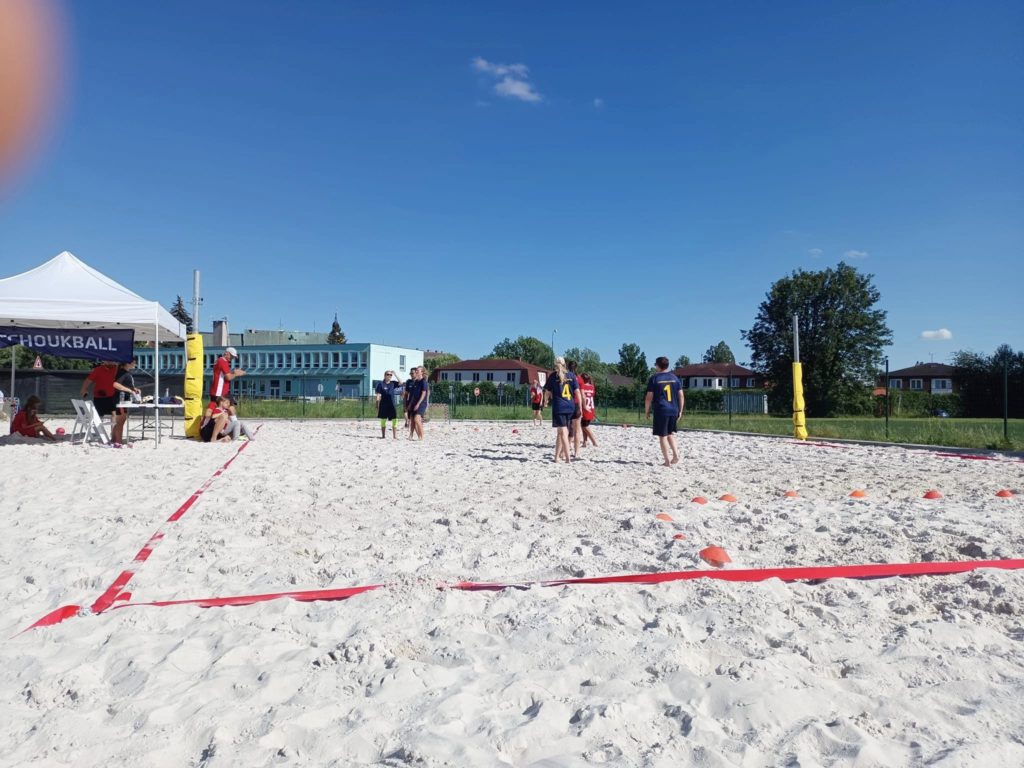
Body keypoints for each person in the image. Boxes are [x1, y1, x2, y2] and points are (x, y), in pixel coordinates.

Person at [645, 356, 684, 466]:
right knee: (670, 433)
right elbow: (681, 396)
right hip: (673, 409)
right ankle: (676, 455)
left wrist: (647, 410)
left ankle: (667, 461)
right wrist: (680, 410)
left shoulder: (654, 378)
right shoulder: (675, 378)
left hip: (661, 409)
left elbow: (649, 397)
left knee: (662, 436)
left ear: (657, 365)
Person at [544, 356, 580, 463]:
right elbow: (577, 392)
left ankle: (568, 458)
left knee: (563, 431)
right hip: (570, 406)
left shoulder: (553, 376)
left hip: (559, 407)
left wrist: (545, 401)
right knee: (560, 432)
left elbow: (547, 391)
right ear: (564, 364)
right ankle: (556, 457)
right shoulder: (571, 375)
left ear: (555, 364)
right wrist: (580, 406)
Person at [111, 357, 141, 446]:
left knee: (120, 420)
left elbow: (126, 385)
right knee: (121, 420)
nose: (135, 364)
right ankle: (118, 441)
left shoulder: (125, 373)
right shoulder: (122, 372)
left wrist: (134, 389)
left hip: (123, 400)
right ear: (127, 363)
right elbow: (115, 384)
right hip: (121, 400)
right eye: (134, 362)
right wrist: (129, 390)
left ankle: (114, 439)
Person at [375, 370, 403, 438]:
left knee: (395, 419)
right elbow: (378, 394)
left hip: (392, 404)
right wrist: (377, 404)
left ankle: (394, 436)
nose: (389, 376)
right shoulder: (380, 384)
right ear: (385, 375)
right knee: (383, 419)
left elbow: (401, 382)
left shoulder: (393, 383)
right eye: (388, 374)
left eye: (390, 375)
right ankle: (383, 436)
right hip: (383, 404)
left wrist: (395, 374)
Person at [407, 366, 429, 440]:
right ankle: (416, 436)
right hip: (414, 402)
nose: (416, 371)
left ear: (422, 372)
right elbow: (413, 394)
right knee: (412, 420)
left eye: (418, 370)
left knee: (417, 419)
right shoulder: (416, 381)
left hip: (422, 403)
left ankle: (422, 436)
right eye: (416, 370)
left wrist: (418, 404)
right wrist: (410, 404)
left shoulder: (424, 381)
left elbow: (423, 394)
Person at [567, 361, 583, 457]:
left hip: (566, 403)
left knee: (565, 428)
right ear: (576, 368)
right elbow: (581, 395)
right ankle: (577, 452)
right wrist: (582, 407)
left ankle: (566, 448)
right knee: (577, 430)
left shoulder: (564, 377)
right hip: (576, 403)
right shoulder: (579, 379)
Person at [579, 372, 598, 449]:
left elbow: (582, 397)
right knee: (584, 426)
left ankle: (594, 441)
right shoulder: (592, 387)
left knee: (585, 426)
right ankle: (585, 442)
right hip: (591, 408)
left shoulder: (582, 387)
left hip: (585, 408)